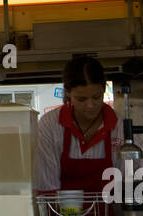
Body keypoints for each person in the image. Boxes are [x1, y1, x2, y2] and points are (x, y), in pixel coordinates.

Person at [34, 56, 120, 195]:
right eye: (81, 99)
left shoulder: (119, 125)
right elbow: (46, 188)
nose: (90, 105)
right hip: (60, 214)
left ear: (104, 89)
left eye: (97, 97)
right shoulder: (49, 125)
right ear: (68, 92)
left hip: (106, 215)